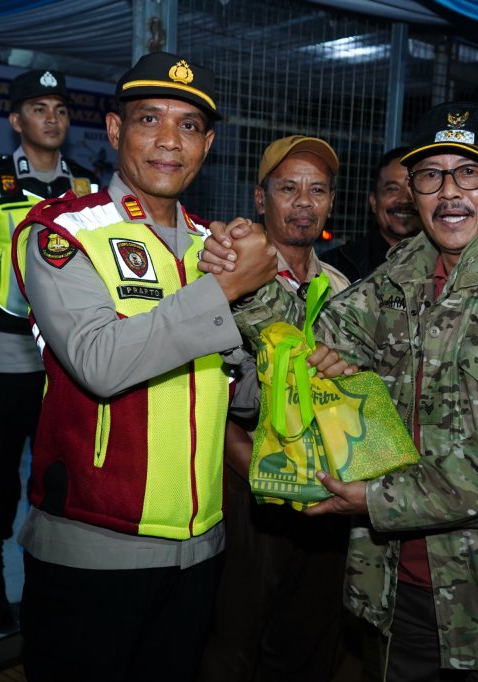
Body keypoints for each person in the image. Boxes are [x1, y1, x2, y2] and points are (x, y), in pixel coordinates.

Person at [204, 101, 478, 680]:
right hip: (403, 592)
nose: (449, 192)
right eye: (430, 176)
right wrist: (245, 278)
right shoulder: (403, 277)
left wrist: (375, 501)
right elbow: (312, 343)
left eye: (468, 172)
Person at [10, 51, 330, 681]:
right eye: (148, 119)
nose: (167, 140)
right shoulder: (63, 232)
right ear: (112, 131)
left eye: (188, 126)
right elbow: (99, 363)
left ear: (207, 145)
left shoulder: (215, 245)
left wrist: (294, 367)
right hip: (94, 547)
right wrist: (225, 293)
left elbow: (234, 396)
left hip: (202, 544)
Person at [199, 135, 351, 682]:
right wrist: (259, 471)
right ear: (261, 200)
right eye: (288, 188)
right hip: (244, 481)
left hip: (326, 485)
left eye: (317, 189)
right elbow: (202, 391)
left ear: (332, 202)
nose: (303, 202)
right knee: (232, 638)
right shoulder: (228, 273)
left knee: (310, 636)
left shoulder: (340, 289)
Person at [0, 68, 98, 631]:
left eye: (60, 110)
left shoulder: (87, 189)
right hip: (4, 354)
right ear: (16, 120)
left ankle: (51, 580)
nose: (52, 119)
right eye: (39, 109)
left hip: (66, 358)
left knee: (63, 471)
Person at [321, 146, 421, 282]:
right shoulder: (337, 267)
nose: (404, 199)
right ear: (374, 202)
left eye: (413, 189)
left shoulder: (446, 264)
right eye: (392, 189)